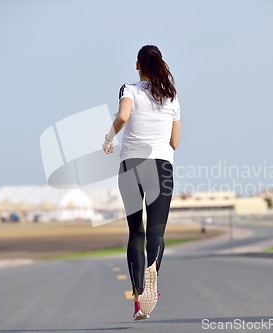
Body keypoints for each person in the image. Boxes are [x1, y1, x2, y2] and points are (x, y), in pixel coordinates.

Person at [102, 45, 180, 320]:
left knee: (136, 232)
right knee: (156, 232)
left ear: (137, 65)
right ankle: (153, 270)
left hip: (131, 166)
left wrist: (108, 139)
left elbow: (123, 116)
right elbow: (175, 142)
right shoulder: (171, 96)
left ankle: (137, 302)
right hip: (161, 167)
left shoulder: (129, 89)